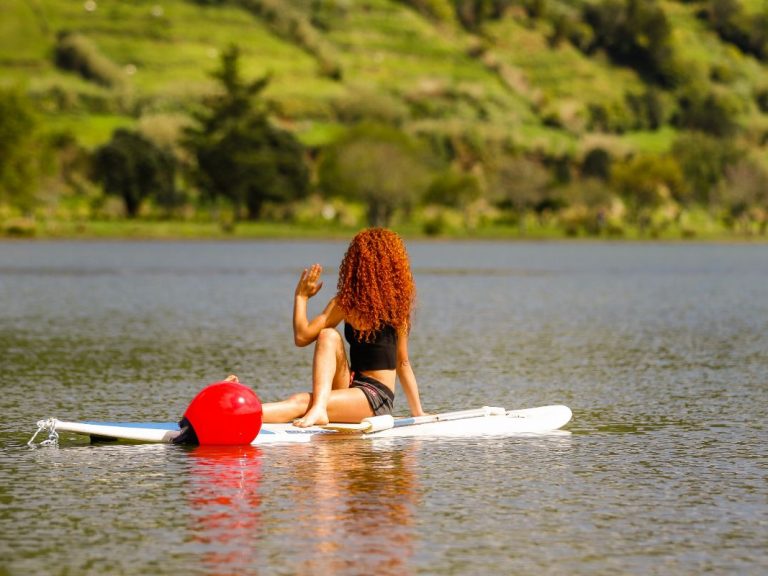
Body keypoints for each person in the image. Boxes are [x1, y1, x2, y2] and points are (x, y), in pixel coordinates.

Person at [231, 228, 426, 428]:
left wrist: (417, 413)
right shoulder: (346, 304)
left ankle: (235, 412)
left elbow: (402, 363)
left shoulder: (397, 310)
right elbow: (302, 337)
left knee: (301, 402)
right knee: (328, 335)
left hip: (376, 398)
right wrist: (301, 298)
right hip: (350, 387)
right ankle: (317, 408)